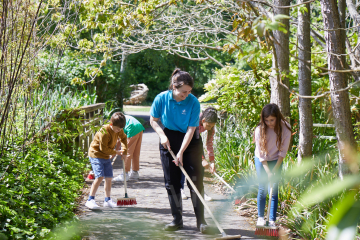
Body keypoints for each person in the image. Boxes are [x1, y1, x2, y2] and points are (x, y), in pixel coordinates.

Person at [150, 68, 210, 233]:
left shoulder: (193, 102)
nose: (187, 95)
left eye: (189, 91)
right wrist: (162, 135)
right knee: (172, 183)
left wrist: (181, 152)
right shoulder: (161, 98)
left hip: (191, 142)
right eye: (184, 91)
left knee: (195, 182)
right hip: (168, 138)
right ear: (174, 87)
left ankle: (201, 222)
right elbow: (153, 121)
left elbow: (191, 129)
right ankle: (177, 220)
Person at [253, 103, 291, 226]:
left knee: (274, 189)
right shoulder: (259, 130)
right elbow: (261, 154)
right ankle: (260, 218)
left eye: (272, 120)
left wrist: (275, 169)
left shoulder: (286, 128)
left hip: (276, 159)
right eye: (266, 120)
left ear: (277, 117)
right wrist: (268, 172)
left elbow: (283, 151)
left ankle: (272, 220)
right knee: (263, 187)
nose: (269, 123)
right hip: (261, 160)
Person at [85, 112, 128, 209]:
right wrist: (116, 152)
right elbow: (103, 149)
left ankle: (107, 200)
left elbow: (124, 138)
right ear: (111, 124)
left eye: (120, 129)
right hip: (96, 154)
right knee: (100, 176)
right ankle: (90, 200)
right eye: (117, 129)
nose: (119, 131)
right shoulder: (104, 132)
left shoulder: (119, 130)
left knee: (109, 177)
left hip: (106, 156)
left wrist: (124, 151)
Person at [180, 107, 217, 201]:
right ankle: (180, 189)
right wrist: (202, 159)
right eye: (208, 126)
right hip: (182, 138)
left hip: (195, 138)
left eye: (212, 126)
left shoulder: (210, 126)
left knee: (199, 169)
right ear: (203, 120)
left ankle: (200, 191)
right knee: (182, 164)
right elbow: (192, 142)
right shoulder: (195, 121)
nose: (210, 128)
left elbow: (209, 144)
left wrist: (212, 161)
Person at [113, 115, 145, 181]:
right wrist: (116, 150)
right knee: (136, 151)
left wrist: (115, 151)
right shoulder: (119, 117)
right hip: (139, 127)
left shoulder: (115, 124)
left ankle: (125, 174)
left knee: (127, 151)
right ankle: (135, 172)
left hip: (132, 128)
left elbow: (119, 139)